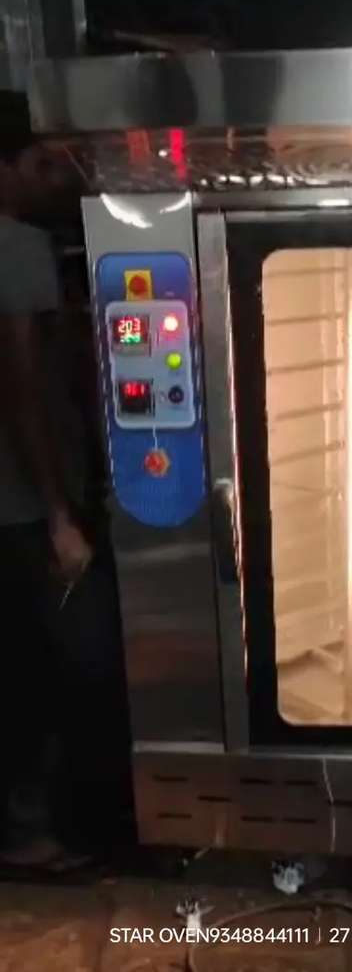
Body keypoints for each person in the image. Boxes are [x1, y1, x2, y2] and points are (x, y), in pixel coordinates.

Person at [0, 93, 132, 869]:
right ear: (8, 167)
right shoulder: (16, 246)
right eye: (46, 165)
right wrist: (57, 513)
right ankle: (48, 830)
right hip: (22, 510)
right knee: (75, 662)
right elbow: (21, 384)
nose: (64, 181)